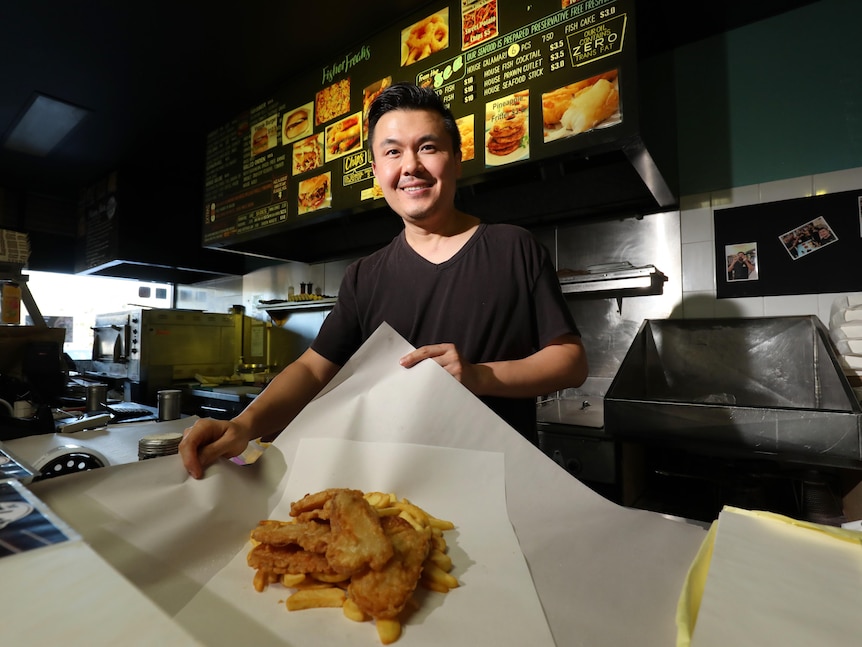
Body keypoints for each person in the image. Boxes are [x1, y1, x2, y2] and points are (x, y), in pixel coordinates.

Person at [180, 82, 588, 479]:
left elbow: (570, 362)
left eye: (428, 147)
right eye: (393, 152)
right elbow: (312, 369)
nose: (411, 165)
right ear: (377, 172)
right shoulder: (365, 275)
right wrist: (245, 423)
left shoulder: (513, 247)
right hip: (398, 490)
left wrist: (479, 375)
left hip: (504, 482)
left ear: (457, 158)